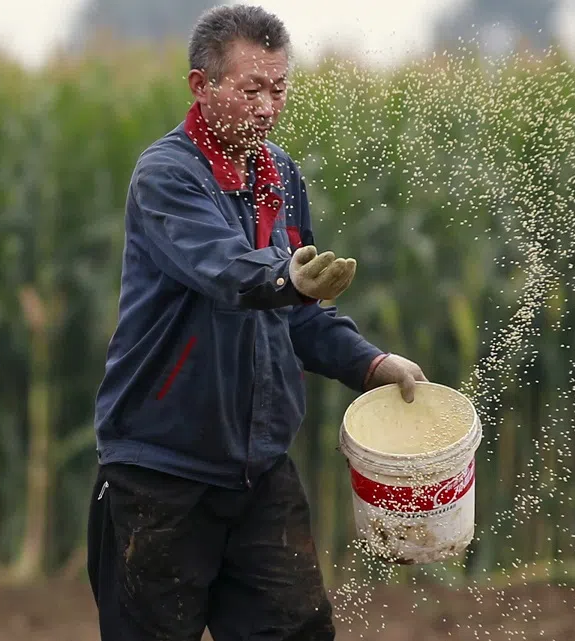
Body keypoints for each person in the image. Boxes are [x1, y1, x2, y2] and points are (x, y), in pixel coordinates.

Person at [85, 4, 427, 640]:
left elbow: (298, 314)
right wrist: (284, 280)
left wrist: (372, 364)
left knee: (297, 632)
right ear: (201, 86)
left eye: (279, 88)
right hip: (160, 477)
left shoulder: (281, 178)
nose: (268, 107)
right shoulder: (165, 175)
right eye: (251, 89)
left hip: (259, 473)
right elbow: (224, 271)